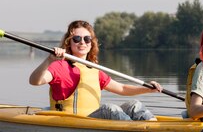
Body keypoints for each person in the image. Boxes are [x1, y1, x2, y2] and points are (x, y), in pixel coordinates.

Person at [29, 20, 162, 121]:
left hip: (92, 118)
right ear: (69, 42)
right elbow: (35, 81)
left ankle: (155, 130)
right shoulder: (59, 66)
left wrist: (147, 89)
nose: (82, 42)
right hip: (74, 121)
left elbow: (122, 88)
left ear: (91, 43)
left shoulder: (94, 70)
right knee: (109, 109)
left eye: (87, 39)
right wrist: (49, 60)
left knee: (134, 105)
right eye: (77, 39)